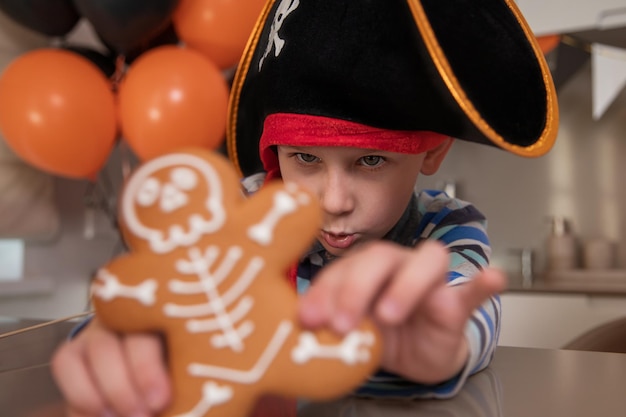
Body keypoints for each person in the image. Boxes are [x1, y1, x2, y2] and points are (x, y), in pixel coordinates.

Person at [51, 0, 558, 416]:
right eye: (306, 159)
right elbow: (129, 304)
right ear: (274, 155)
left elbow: (467, 314)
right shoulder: (235, 211)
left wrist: (435, 348)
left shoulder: (447, 228)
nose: (333, 202)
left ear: (431, 151)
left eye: (371, 160)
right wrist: (116, 339)